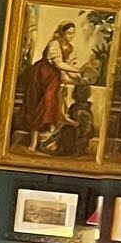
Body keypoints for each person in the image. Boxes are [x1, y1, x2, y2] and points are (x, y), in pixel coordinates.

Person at [13, 21, 77, 151]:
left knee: (49, 104)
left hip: (53, 79)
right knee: (36, 106)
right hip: (40, 75)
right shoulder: (54, 44)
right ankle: (34, 142)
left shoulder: (70, 48)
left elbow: (66, 66)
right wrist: (79, 70)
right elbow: (58, 64)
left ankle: (48, 138)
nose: (71, 36)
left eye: (73, 33)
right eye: (69, 33)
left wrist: (77, 77)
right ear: (62, 33)